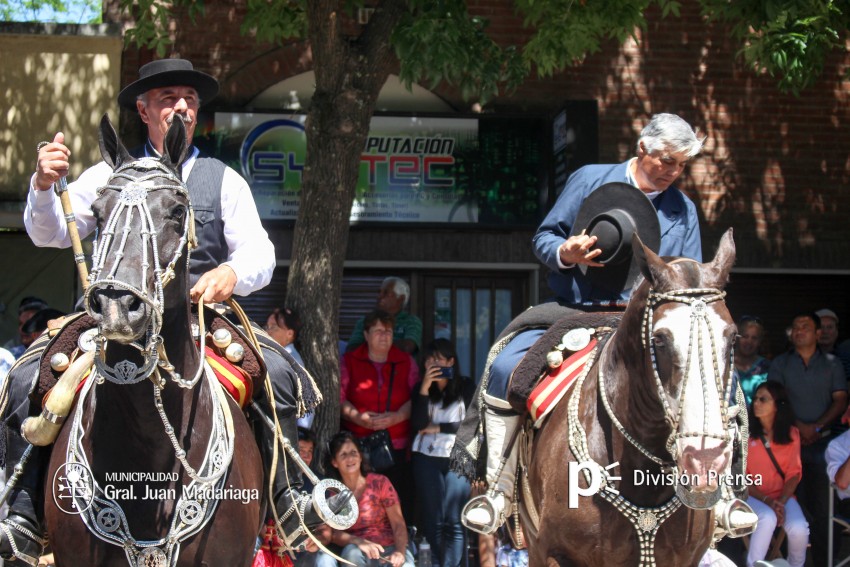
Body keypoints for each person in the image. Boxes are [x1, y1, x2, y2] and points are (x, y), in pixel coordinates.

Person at [1, 58, 341, 564]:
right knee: (30, 374)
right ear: (143, 110)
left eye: (188, 97)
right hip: (111, 314)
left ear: (197, 111)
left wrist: (232, 274)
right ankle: (22, 514)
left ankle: (287, 501)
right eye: (166, 98)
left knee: (277, 371)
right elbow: (48, 232)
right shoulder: (108, 174)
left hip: (197, 319)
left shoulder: (222, 179)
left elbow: (259, 254)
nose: (180, 105)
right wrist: (45, 186)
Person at [461, 113, 717, 534]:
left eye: (681, 165)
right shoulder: (589, 179)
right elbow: (543, 238)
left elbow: (689, 275)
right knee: (506, 365)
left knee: (714, 378)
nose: (673, 172)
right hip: (578, 310)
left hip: (650, 322)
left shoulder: (683, 208)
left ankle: (721, 497)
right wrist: (567, 252)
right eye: (666, 161)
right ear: (642, 149)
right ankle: (500, 487)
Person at [768, 311, 848, 566]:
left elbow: (840, 399)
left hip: (823, 445)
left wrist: (817, 426)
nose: (798, 330)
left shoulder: (833, 363)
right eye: (795, 326)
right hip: (786, 443)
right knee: (790, 504)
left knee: (824, 509)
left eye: (805, 326)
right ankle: (785, 560)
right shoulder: (780, 363)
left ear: (817, 333)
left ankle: (825, 561)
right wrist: (800, 427)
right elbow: (776, 400)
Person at [340, 310, 418, 521]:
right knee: (364, 503)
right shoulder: (349, 360)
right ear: (366, 335)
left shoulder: (406, 361)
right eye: (378, 331)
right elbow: (339, 399)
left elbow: (418, 399)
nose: (384, 335)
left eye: (389, 331)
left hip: (397, 446)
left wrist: (397, 417)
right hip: (359, 446)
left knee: (396, 499)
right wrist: (358, 417)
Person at [410, 339, 474, 567]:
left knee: (454, 519)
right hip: (426, 457)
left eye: (439, 359)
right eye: (429, 360)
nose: (433, 364)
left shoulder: (466, 386)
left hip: (458, 457)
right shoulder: (420, 389)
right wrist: (425, 387)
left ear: (451, 361)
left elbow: (471, 424)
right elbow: (417, 423)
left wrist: (438, 427)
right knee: (434, 519)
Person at [314, 431, 415, 567]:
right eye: (343, 455)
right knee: (352, 553)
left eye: (353, 453)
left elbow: (398, 524)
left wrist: (400, 552)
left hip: (388, 548)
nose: (350, 459)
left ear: (361, 456)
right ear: (334, 462)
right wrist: (359, 542)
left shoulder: (380, 483)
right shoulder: (333, 493)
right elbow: (334, 534)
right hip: (356, 550)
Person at [744, 382, 808, 567]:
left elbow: (794, 474)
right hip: (753, 496)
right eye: (755, 398)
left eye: (763, 399)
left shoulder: (792, 434)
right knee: (767, 518)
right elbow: (742, 479)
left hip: (782, 497)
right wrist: (768, 501)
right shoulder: (745, 435)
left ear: (778, 405)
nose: (756, 402)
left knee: (799, 529)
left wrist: (781, 500)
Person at [267, 306, 314, 429]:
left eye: (274, 327)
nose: (268, 332)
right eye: (267, 326)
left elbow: (306, 401)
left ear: (289, 333)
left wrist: (301, 431)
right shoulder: (274, 355)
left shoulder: (292, 361)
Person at [347, 278, 422, 355]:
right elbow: (352, 349)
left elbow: (407, 347)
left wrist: (373, 345)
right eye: (379, 292)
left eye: (386, 293)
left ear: (401, 299)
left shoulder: (411, 321)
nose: (379, 296)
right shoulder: (364, 321)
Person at [734, 315, 771, 405]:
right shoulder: (725, 362)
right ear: (737, 337)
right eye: (745, 336)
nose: (749, 342)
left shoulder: (767, 366)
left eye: (754, 338)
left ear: (760, 341)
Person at [816, 308, 850, 379]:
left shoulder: (846, 354)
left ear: (836, 331)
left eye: (830, 327)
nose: (825, 331)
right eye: (821, 327)